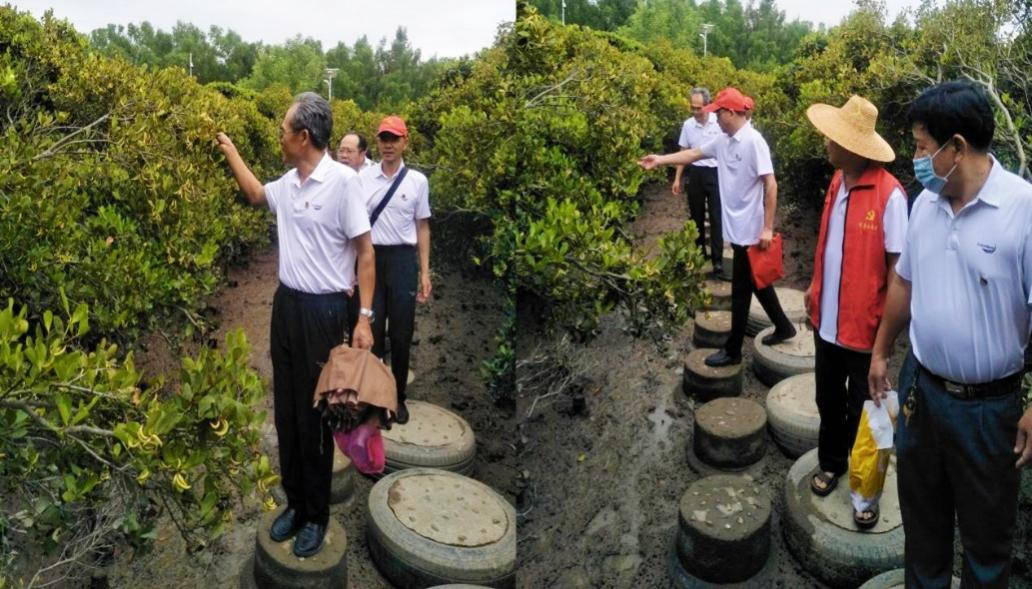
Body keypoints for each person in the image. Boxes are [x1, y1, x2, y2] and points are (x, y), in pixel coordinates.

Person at [868, 80, 1032, 587]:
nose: (916, 159)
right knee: (923, 531)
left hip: (989, 411)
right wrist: (881, 350)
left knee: (986, 546)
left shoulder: (1023, 210)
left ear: (956, 148)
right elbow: (904, 282)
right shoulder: (925, 204)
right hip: (922, 392)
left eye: (922, 147)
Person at [215, 92, 376, 558]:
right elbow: (254, 194)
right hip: (286, 307)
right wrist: (230, 150)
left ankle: (316, 514)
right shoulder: (288, 184)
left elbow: (366, 253)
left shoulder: (344, 183)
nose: (280, 137)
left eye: (284, 130)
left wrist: (364, 317)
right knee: (286, 412)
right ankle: (295, 503)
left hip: (324, 313)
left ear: (303, 137)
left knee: (315, 416)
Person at [802, 95, 907, 530]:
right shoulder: (837, 182)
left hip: (866, 334)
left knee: (867, 415)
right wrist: (814, 286)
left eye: (834, 138)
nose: (827, 142)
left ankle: (866, 495)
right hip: (826, 323)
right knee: (827, 400)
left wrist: (885, 343)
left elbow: (899, 274)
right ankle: (832, 462)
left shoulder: (889, 195)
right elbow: (828, 243)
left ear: (853, 146)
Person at [640, 87, 796, 367]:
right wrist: (660, 160)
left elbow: (771, 185)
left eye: (718, 113)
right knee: (756, 283)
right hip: (736, 229)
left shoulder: (753, 141)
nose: (715, 118)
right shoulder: (724, 141)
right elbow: (693, 154)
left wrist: (767, 228)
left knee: (741, 291)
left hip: (751, 231)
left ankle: (733, 351)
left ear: (731, 113)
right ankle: (784, 326)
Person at [356, 115, 432, 424]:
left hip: (403, 262)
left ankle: (398, 397)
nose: (388, 145)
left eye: (394, 139)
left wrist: (424, 272)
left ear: (405, 141)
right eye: (383, 139)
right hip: (372, 259)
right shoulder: (363, 179)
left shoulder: (417, 182)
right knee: (372, 331)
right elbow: (354, 226)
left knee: (401, 334)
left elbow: (422, 226)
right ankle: (376, 398)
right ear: (378, 141)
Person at [673, 87, 724, 277]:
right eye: (692, 108)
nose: (695, 111)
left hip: (715, 171)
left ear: (707, 106)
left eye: (698, 108)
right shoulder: (688, 125)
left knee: (717, 217)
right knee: (696, 217)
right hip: (695, 172)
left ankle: (718, 261)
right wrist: (677, 178)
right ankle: (699, 255)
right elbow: (683, 152)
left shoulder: (718, 122)